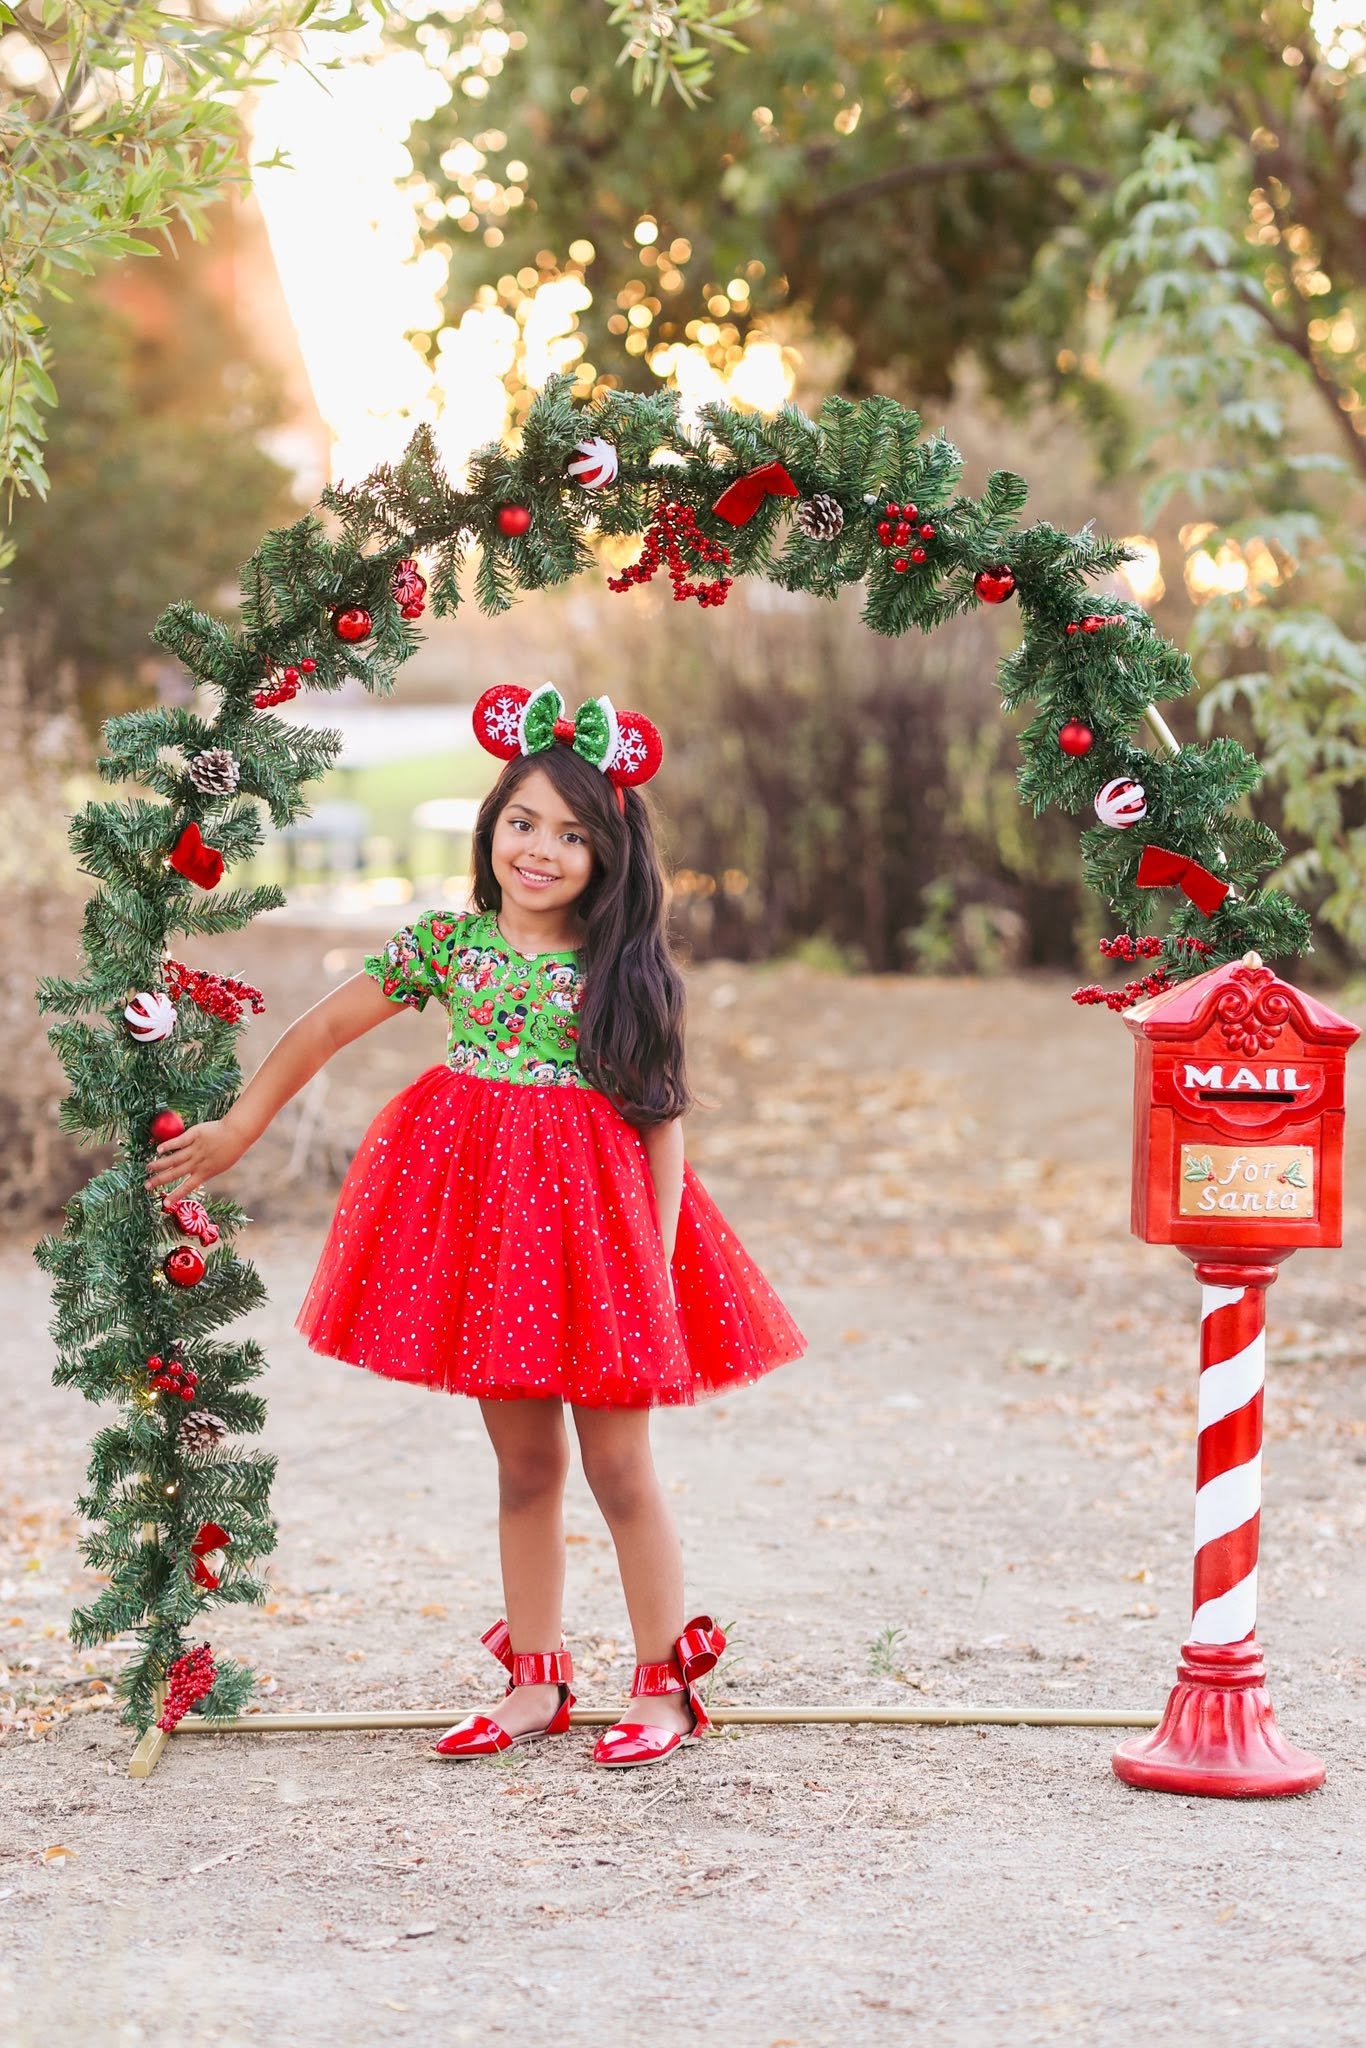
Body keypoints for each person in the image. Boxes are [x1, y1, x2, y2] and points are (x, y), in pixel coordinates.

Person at [143, 682, 806, 1770]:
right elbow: (323, 1027)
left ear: (608, 857)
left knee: (620, 1465)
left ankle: (664, 1684)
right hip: (493, 1238)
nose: (540, 849)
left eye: (572, 833)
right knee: (524, 1464)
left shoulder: (622, 971)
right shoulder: (448, 945)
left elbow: (661, 1126)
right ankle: (535, 1676)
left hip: (599, 1240)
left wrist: (656, 1256)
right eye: (522, 821)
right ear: (491, 825)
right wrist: (242, 1124)